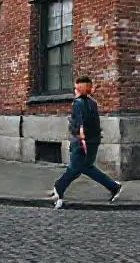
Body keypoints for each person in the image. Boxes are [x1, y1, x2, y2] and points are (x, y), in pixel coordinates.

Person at [52, 75, 122, 209]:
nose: (74, 90)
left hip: (82, 142)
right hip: (93, 141)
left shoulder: (77, 103)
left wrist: (80, 140)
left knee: (74, 168)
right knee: (86, 167)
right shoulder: (93, 103)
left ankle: (59, 188)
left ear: (80, 89)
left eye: (76, 87)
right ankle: (114, 187)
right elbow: (94, 123)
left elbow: (80, 124)